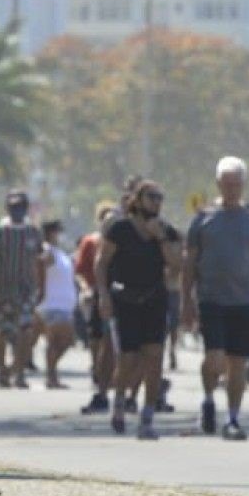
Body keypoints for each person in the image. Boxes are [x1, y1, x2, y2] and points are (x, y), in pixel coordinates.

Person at [183, 157, 249, 441]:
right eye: (226, 184)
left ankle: (233, 418)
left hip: (245, 300)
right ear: (218, 184)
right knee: (214, 359)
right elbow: (189, 263)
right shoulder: (203, 219)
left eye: (236, 184)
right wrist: (186, 301)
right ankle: (208, 400)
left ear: (243, 185)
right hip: (211, 299)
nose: (231, 189)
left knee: (238, 363)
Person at [97, 182, 180, 440]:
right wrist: (104, 295)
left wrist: (161, 238)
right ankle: (120, 402)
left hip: (154, 299)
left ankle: (147, 417)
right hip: (125, 299)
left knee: (154, 358)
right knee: (128, 358)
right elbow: (102, 263)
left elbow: (176, 266)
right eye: (151, 197)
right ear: (138, 199)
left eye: (160, 197)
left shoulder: (165, 230)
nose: (156, 202)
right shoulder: (120, 228)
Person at [0, 191, 46, 389]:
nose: (17, 210)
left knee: (25, 331)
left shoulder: (33, 231)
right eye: (13, 207)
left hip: (26, 289)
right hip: (3, 288)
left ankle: (19, 372)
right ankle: (2, 370)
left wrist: (41, 286)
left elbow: (40, 260)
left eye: (20, 206)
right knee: (0, 331)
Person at [73, 203, 117, 414]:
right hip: (95, 295)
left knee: (111, 342)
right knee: (96, 340)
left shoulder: (121, 240)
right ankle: (98, 372)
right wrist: (87, 289)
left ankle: (109, 381)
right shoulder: (90, 242)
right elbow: (81, 270)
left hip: (116, 295)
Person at [36, 220, 78, 389]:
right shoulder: (47, 250)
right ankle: (50, 375)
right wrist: (40, 289)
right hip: (52, 303)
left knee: (60, 341)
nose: (59, 235)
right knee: (64, 339)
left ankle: (51, 376)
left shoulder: (58, 252)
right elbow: (39, 264)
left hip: (62, 304)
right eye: (57, 231)